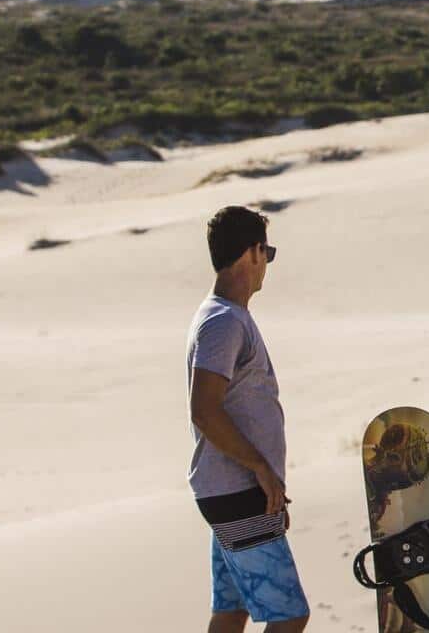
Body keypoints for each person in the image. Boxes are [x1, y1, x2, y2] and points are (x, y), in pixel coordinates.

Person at [187, 205, 310, 632]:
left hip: (232, 491)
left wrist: (268, 481)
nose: (267, 265)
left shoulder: (223, 316)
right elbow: (204, 409)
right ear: (251, 253)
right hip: (237, 491)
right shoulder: (223, 321)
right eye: (267, 253)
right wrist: (261, 469)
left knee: (232, 609)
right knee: (290, 615)